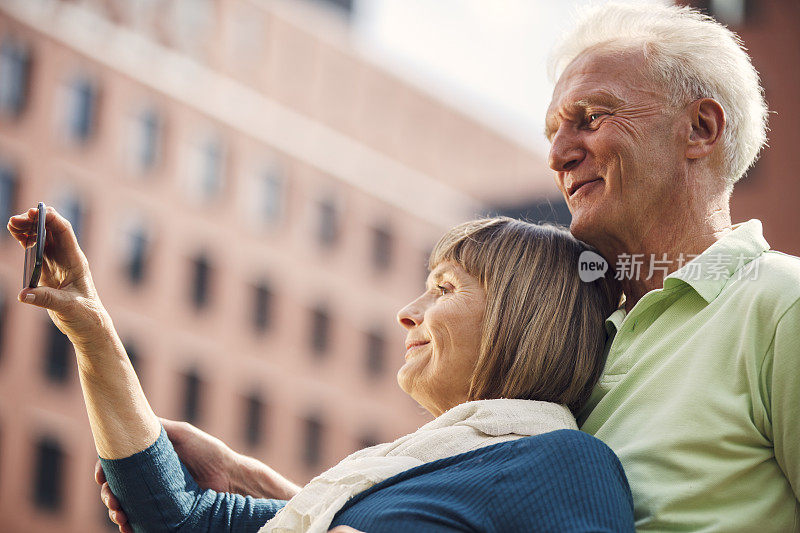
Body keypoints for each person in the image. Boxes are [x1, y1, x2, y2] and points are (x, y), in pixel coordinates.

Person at [9, 211, 633, 532]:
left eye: (444, 287)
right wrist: (91, 329)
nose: (407, 313)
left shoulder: (564, 464)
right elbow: (181, 519)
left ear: (521, 318)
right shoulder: (386, 484)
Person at [543, 3, 800, 531]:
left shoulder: (781, 306)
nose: (559, 154)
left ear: (701, 129)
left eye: (590, 119)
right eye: (552, 131)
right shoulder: (570, 344)